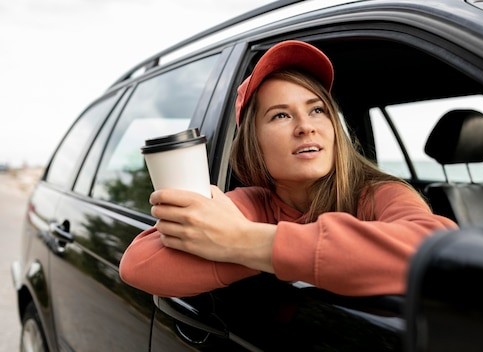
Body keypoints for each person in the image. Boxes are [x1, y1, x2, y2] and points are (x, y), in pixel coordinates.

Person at [119, 40, 457, 298]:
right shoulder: (254, 204)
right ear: (254, 142)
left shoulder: (378, 193)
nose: (305, 126)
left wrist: (241, 241)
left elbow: (438, 252)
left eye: (317, 110)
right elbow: (140, 265)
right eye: (281, 115)